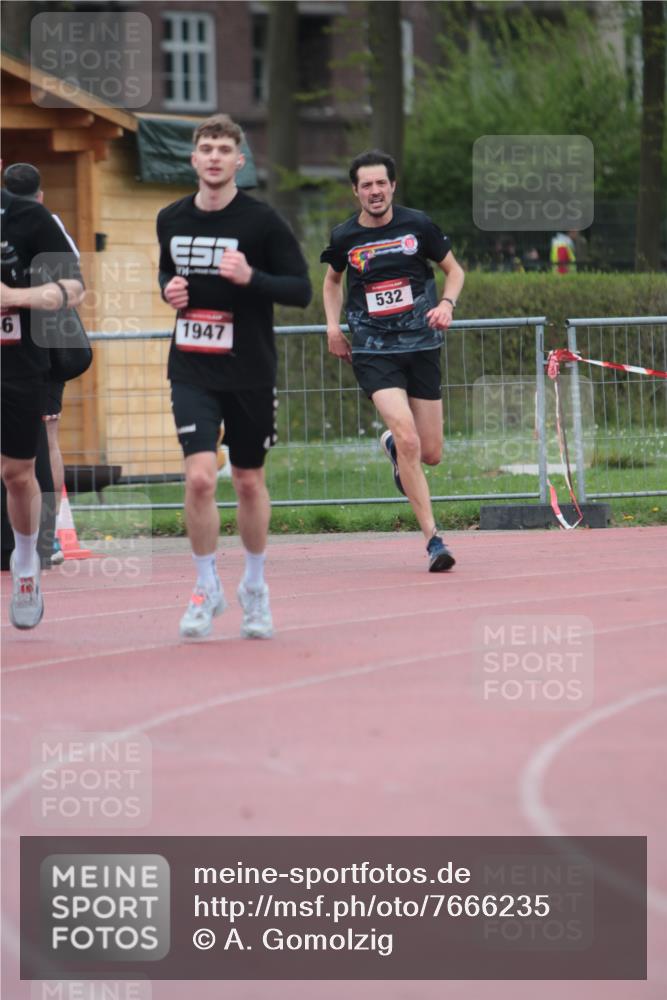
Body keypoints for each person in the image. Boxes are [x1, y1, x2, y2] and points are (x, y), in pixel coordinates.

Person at [157, 113, 311, 640]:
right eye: (207, 148)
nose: (215, 157)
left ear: (239, 161)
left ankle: (254, 586)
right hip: (192, 366)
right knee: (200, 477)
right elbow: (167, 270)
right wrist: (167, 291)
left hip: (249, 369)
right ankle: (205, 587)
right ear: (194, 159)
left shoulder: (261, 222)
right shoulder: (171, 218)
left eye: (225, 149)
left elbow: (300, 289)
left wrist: (252, 278)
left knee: (247, 481)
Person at [321, 149, 465, 572]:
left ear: (392, 186)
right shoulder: (344, 236)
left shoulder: (417, 225)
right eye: (366, 185)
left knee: (430, 453)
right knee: (407, 437)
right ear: (356, 191)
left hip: (421, 346)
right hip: (372, 349)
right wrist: (333, 328)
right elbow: (332, 282)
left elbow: (454, 270)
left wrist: (447, 305)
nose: (374, 191)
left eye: (381, 183)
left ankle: (393, 450)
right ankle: (435, 541)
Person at [1, 184, 84, 628]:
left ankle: (27, 561)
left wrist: (16, 297)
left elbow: (73, 289)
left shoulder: (30, 219)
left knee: (16, 474)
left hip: (15, 362)